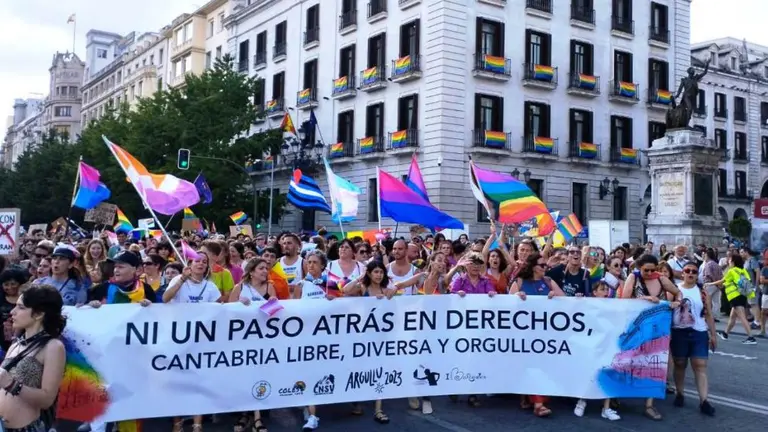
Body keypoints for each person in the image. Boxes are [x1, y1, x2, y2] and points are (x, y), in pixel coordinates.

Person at [0, 284, 67, 432]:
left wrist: (11, 384)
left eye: (21, 307)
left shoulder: (53, 347)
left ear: (38, 314)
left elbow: (47, 399)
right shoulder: (15, 344)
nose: (12, 312)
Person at [670, 262, 717, 416]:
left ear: (697, 275)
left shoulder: (702, 292)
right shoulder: (675, 289)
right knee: (680, 363)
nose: (690, 274)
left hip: (699, 332)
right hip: (679, 332)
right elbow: (667, 311)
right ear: (682, 273)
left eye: (694, 272)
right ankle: (680, 393)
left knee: (700, 364)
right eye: (687, 271)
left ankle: (704, 401)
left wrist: (713, 335)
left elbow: (709, 314)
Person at [706, 254, 757, 344]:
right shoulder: (743, 270)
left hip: (734, 296)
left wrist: (710, 284)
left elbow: (722, 280)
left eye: (729, 260)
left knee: (742, 317)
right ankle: (725, 333)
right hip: (742, 295)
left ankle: (751, 337)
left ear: (733, 262)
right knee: (732, 317)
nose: (728, 261)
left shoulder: (732, 271)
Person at [0, 268, 29, 352]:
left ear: (20, 283)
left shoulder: (27, 298)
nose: (10, 287)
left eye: (13, 284)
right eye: (6, 284)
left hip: (23, 341)